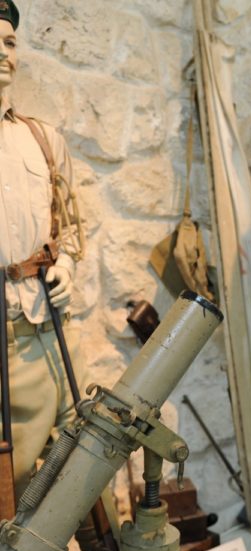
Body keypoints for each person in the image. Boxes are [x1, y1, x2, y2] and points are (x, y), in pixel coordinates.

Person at [0, 0, 86, 503]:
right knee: (15, 490)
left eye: (10, 42)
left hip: (56, 329)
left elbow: (71, 225)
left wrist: (68, 265)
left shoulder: (42, 138)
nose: (3, 53)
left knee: (86, 463)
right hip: (7, 345)